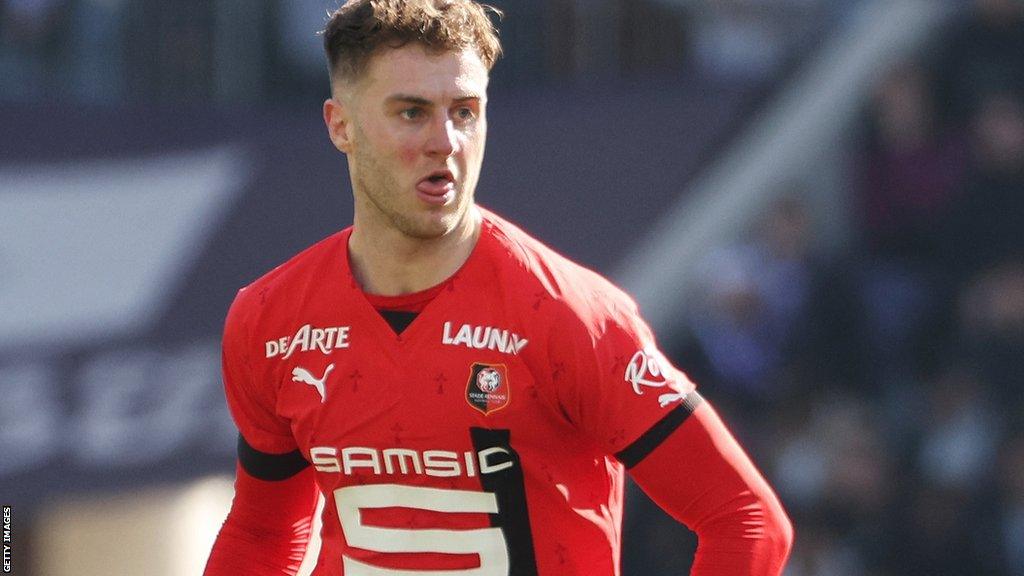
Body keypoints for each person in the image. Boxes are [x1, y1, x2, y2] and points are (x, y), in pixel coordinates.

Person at [203, 1, 793, 574]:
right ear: (341, 126)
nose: (446, 142)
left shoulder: (570, 316)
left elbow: (746, 518)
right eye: (412, 112)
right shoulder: (270, 319)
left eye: (464, 111)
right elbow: (263, 535)